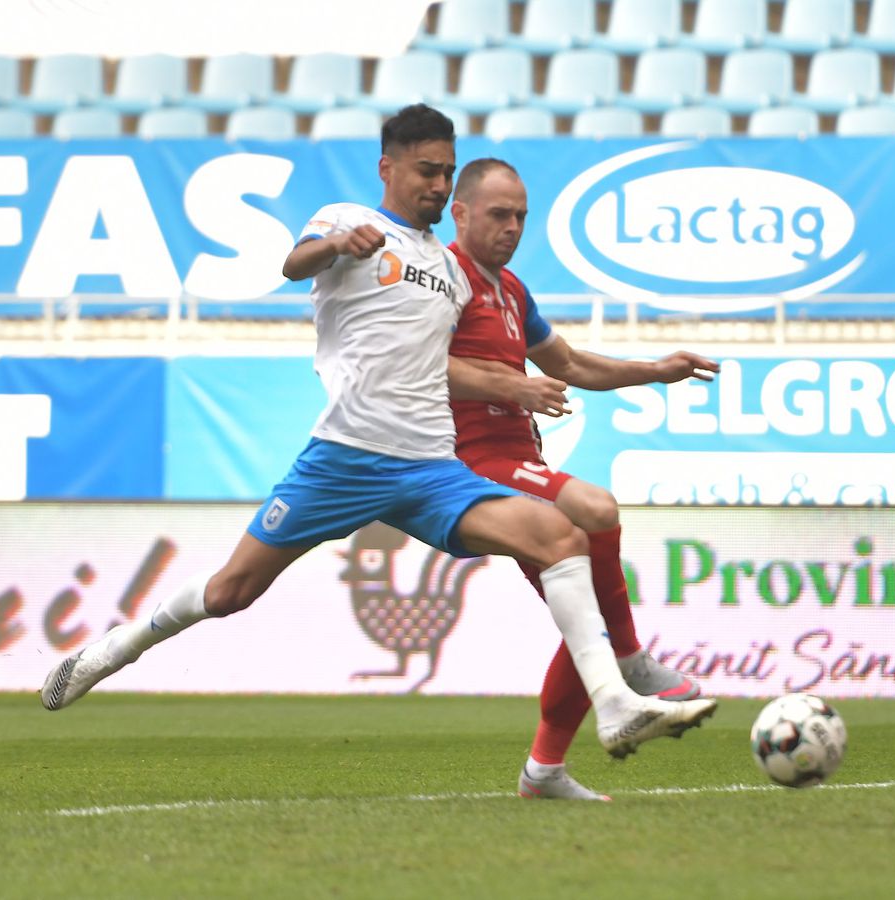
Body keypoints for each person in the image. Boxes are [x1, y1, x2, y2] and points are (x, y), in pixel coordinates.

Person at [40, 105, 717, 765]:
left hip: (427, 465)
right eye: (427, 170)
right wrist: (334, 246)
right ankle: (117, 648)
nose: (438, 184)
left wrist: (549, 380)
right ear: (388, 167)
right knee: (230, 594)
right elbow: (293, 264)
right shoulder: (349, 222)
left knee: (563, 535)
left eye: (447, 172)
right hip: (344, 459)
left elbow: (449, 365)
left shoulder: (453, 273)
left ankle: (615, 703)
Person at [445, 158, 722, 800]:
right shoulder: (441, 284)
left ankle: (544, 770)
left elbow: (567, 362)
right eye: (498, 214)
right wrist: (513, 386)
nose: (512, 226)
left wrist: (654, 370)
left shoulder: (511, 290)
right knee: (596, 507)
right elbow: (417, 365)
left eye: (520, 216)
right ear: (459, 213)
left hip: (521, 458)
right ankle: (630, 659)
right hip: (469, 463)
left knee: (583, 614)